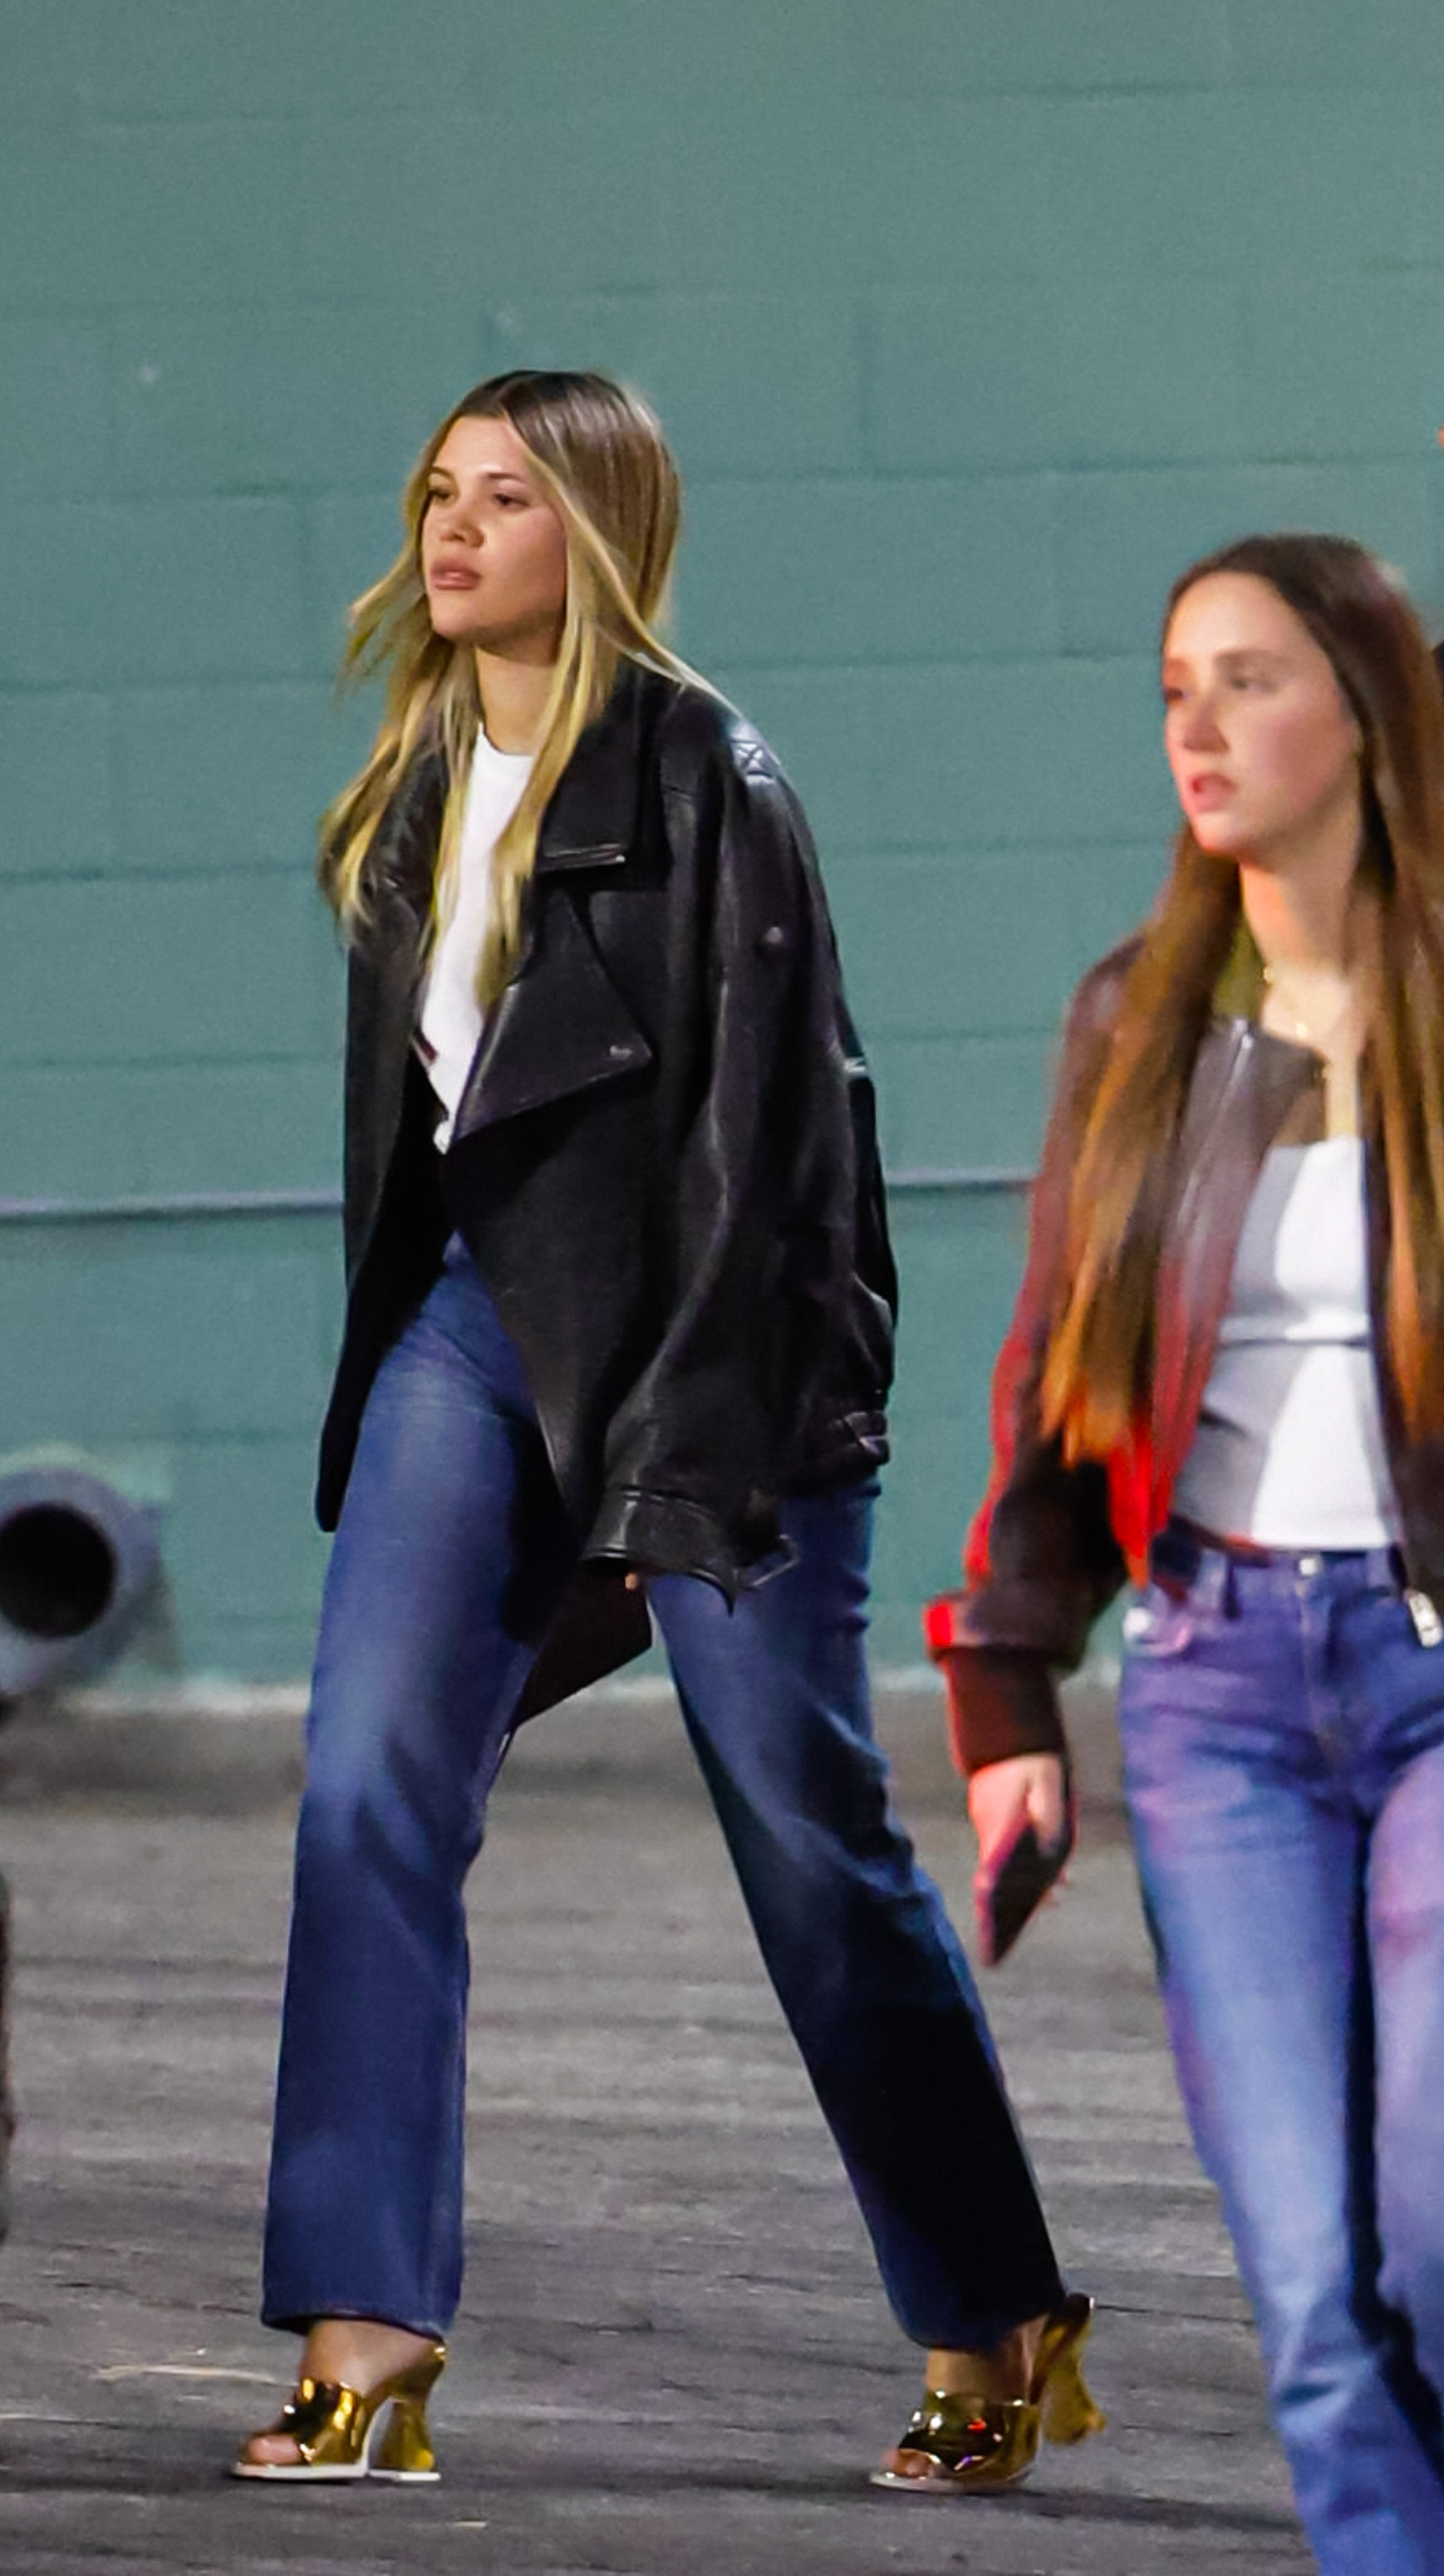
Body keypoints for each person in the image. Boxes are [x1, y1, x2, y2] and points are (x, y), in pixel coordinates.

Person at [233, 370, 1098, 2493]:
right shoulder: (419, 789)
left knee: (804, 1831)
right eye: (434, 491)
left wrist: (667, 1480)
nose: (450, 532)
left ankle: (997, 2315)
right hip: (474, 1328)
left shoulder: (711, 775)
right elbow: (427, 1156)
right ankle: (368, 2339)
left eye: (503, 498)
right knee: (365, 1784)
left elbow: (772, 1165)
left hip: (727, 1346)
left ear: (597, 529)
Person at [931, 532, 1444, 2573]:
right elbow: (1061, 1376)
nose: (1195, 727)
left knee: (1426, 2225)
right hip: (1216, 1684)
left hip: (1430, 1684)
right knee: (1312, 2300)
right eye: (1171, 687)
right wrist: (1003, 1686)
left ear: (1365, 709)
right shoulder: (1135, 1021)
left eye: (1246, 677)